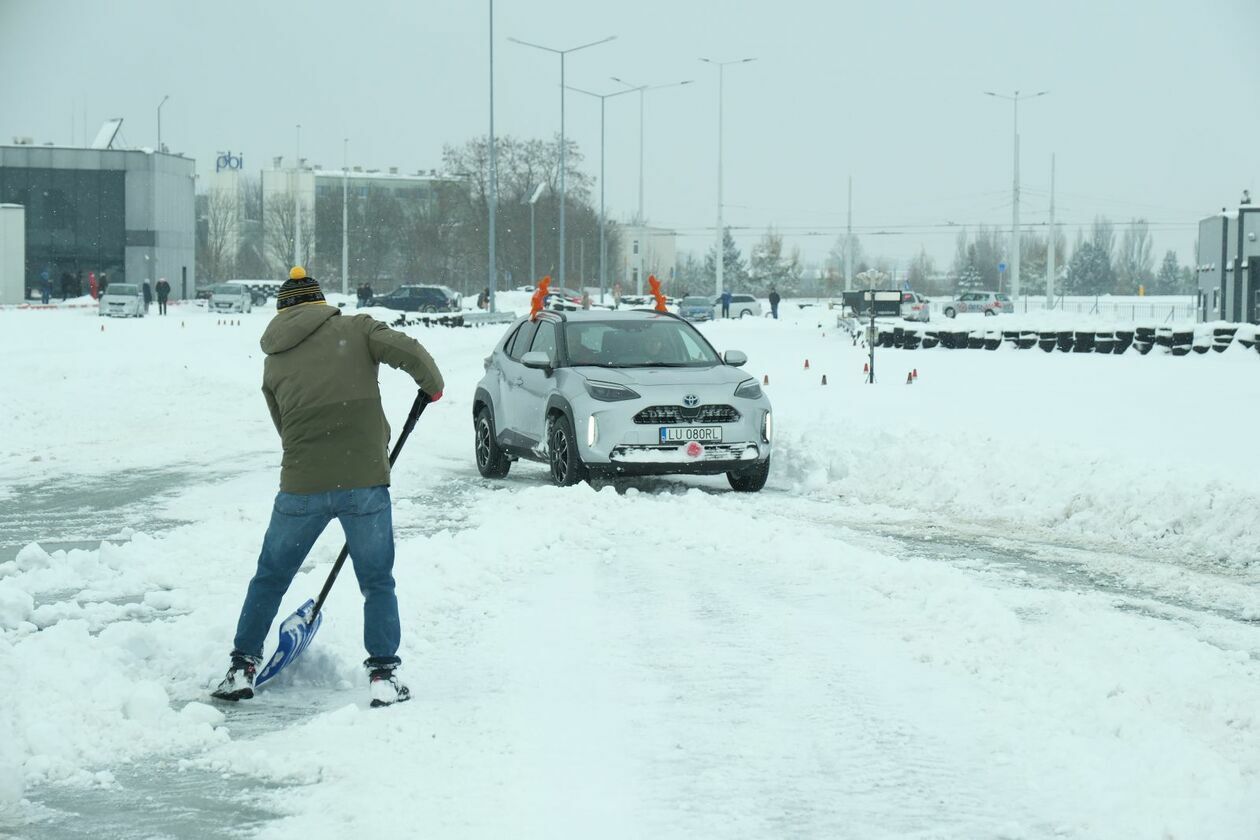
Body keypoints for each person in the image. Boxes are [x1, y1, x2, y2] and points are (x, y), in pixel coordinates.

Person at [211, 267, 444, 708]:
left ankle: (242, 666)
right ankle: (382, 676)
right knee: (376, 580)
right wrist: (431, 387)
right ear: (319, 302)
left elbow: (284, 427)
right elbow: (410, 351)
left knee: (271, 576)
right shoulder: (356, 329)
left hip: (302, 485)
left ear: (283, 311)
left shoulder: (274, 362)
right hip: (364, 482)